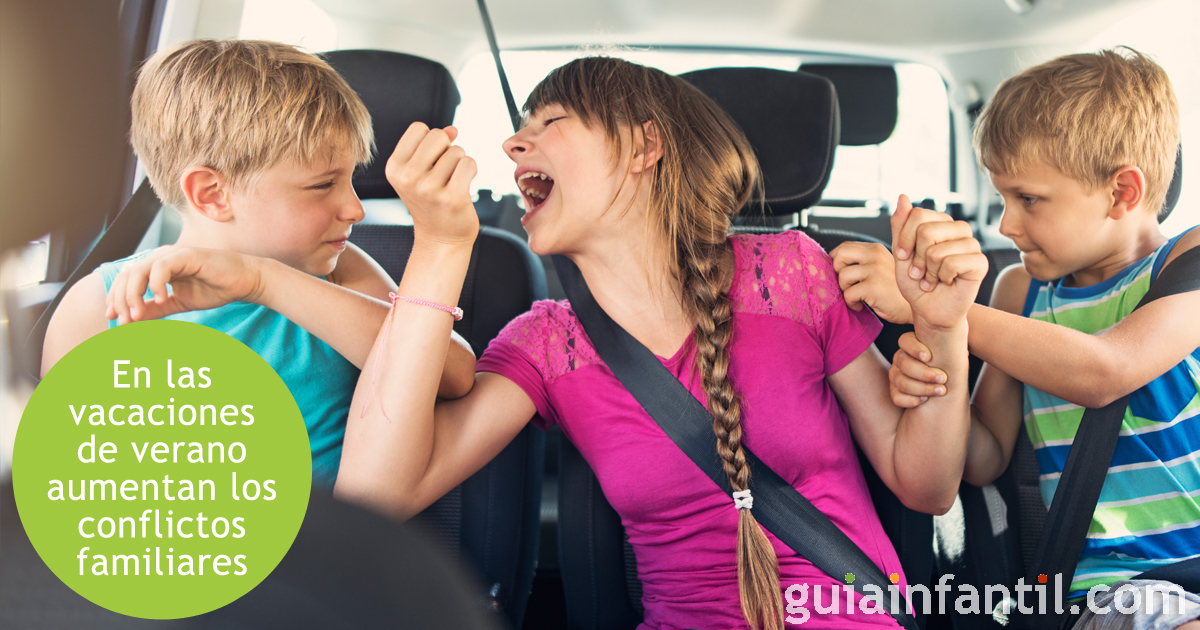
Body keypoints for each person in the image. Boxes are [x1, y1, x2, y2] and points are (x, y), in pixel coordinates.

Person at [327, 57, 986, 629]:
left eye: (549, 121)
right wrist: (442, 247)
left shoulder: (790, 274)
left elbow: (924, 486)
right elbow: (375, 497)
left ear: (644, 146)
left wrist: (943, 326)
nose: (512, 144)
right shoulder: (549, 345)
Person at [832, 48, 1200, 629]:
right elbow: (986, 459)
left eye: (1028, 199)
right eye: (1001, 197)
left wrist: (947, 314)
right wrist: (940, 374)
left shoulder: (1184, 264)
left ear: (1121, 192)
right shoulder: (1018, 291)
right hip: (1118, 592)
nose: (1005, 224)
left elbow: (1106, 371)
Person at [42, 39, 476, 487]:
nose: (355, 208)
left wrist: (267, 282)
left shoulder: (340, 270)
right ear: (212, 195)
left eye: (351, 180)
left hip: (321, 547)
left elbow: (454, 374)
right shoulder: (98, 307)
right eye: (323, 185)